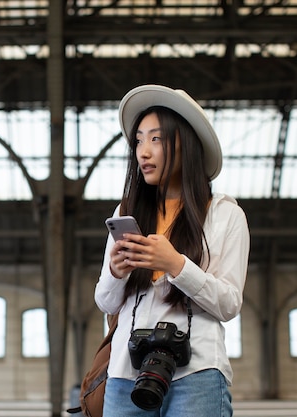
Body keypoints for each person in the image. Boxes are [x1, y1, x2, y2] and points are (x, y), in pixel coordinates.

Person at [95, 84, 250, 417]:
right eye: (138, 140)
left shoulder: (225, 215)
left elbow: (228, 303)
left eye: (156, 139)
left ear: (185, 144)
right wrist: (115, 272)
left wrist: (176, 265)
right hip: (126, 375)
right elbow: (106, 303)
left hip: (198, 375)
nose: (143, 152)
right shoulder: (127, 213)